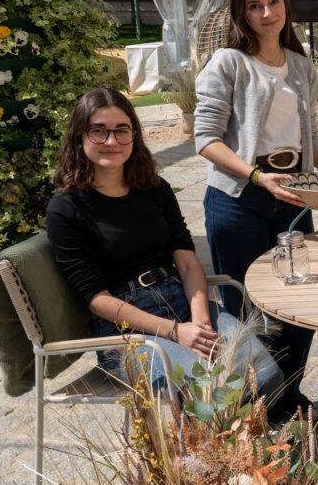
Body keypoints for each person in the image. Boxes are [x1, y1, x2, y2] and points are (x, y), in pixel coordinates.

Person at [45, 88, 283, 403]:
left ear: (134, 135)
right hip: (127, 330)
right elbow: (97, 300)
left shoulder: (153, 188)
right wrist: (175, 331)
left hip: (182, 301)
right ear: (80, 137)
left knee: (266, 378)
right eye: (98, 131)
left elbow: (186, 260)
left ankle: (247, 447)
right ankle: (206, 451)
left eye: (121, 130)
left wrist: (200, 322)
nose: (112, 141)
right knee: (203, 395)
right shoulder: (66, 208)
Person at [194, 0, 318, 417]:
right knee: (246, 308)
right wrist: (254, 176)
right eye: (254, 5)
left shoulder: (300, 65)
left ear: (286, 6)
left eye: (274, 2)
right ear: (241, 15)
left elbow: (310, 140)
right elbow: (205, 140)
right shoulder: (228, 63)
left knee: (301, 297)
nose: (267, 13)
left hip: (295, 198)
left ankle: (286, 392)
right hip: (238, 199)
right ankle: (251, 404)